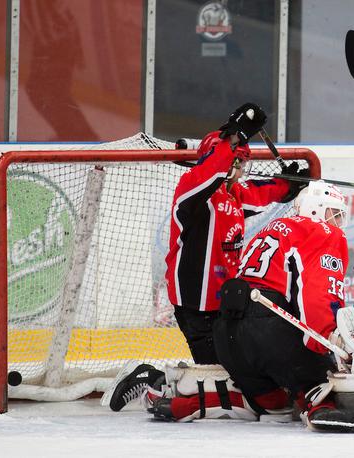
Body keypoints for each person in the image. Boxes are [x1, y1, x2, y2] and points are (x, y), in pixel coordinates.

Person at [104, 103, 309, 412]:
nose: (241, 171)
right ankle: (152, 378)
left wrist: (287, 186)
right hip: (196, 305)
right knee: (224, 380)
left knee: (241, 374)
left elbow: (261, 192)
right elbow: (209, 170)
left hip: (225, 303)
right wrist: (234, 136)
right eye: (238, 163)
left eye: (243, 165)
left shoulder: (233, 195)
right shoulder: (192, 191)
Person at [148, 181, 354, 433]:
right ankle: (321, 406)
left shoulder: (268, 230)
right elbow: (317, 295)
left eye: (340, 216)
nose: (336, 221)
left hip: (227, 334)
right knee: (321, 384)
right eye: (332, 213)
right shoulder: (323, 232)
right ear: (314, 209)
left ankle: (191, 403)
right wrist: (329, 341)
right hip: (267, 329)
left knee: (274, 404)